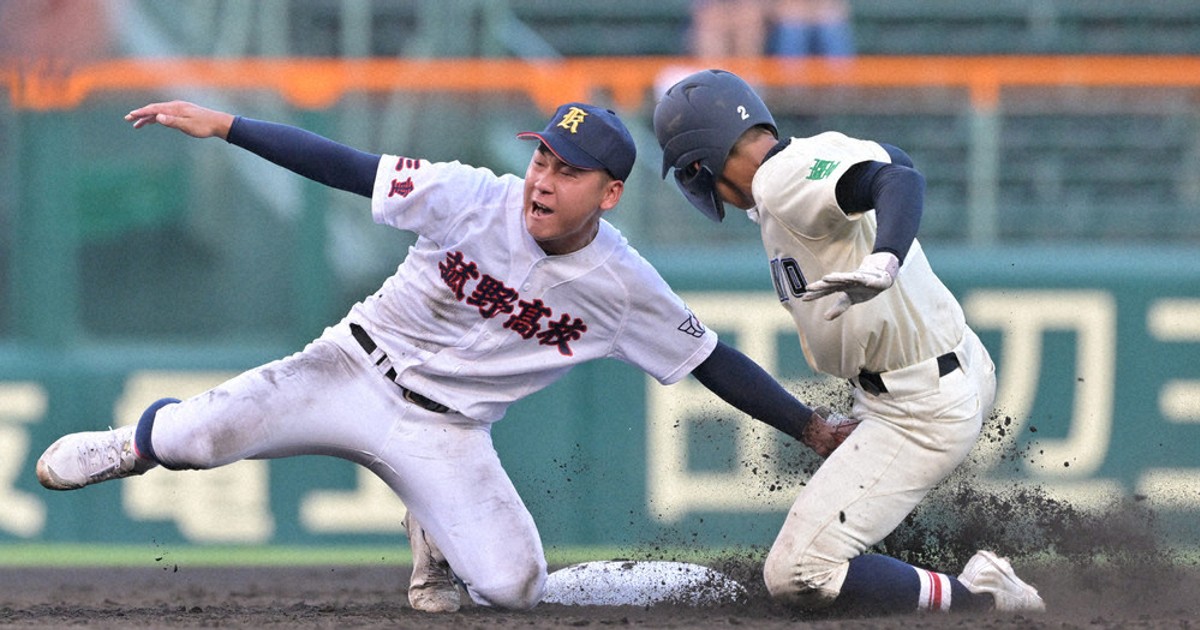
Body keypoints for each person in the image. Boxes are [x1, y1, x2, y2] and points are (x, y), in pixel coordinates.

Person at [36, 99, 859, 613]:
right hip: (351, 368)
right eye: (542, 156)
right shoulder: (473, 195)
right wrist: (228, 127)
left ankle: (431, 524)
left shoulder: (625, 286)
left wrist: (809, 426)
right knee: (191, 442)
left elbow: (712, 360)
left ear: (608, 194)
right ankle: (130, 445)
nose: (542, 178)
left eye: (568, 171)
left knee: (511, 590)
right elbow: (349, 169)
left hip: (449, 432)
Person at [653, 69, 1045, 616]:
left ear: (700, 164)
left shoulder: (778, 179)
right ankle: (906, 582)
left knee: (796, 573)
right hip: (946, 367)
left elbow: (900, 183)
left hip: (917, 407)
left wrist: (885, 256)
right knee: (842, 534)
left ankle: (978, 597)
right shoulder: (809, 154)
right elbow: (896, 160)